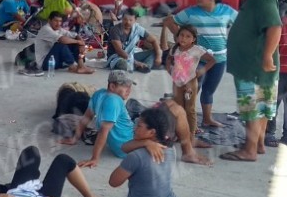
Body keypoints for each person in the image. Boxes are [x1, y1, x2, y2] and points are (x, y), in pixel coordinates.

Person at [60, 70, 211, 167]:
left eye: (129, 87)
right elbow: (104, 131)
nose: (128, 91)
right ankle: (187, 152)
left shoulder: (99, 94)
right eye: (125, 87)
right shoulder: (114, 100)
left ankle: (184, 138)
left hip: (134, 133)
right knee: (178, 110)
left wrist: (74, 138)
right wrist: (95, 158)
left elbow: (86, 118)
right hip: (131, 143)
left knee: (169, 103)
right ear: (112, 87)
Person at [88, 108, 191, 197]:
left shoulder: (136, 157)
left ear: (152, 132)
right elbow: (124, 147)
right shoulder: (170, 149)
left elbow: (113, 182)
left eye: (139, 126)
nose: (134, 128)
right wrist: (146, 142)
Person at [223, 0, 283, 162]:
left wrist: (266, 56)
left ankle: (248, 151)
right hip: (257, 64)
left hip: (254, 65)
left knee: (251, 108)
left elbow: (274, 27)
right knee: (263, 105)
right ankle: (257, 145)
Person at [163, 0, 237, 128]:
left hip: (220, 59)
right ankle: (187, 122)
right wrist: (180, 38)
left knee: (209, 90)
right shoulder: (191, 12)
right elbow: (171, 21)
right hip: (197, 59)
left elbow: (241, 23)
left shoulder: (226, 11)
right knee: (191, 90)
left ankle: (207, 119)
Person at [165, 25, 216, 137]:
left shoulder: (197, 50)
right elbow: (169, 58)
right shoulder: (175, 48)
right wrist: (169, 69)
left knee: (190, 109)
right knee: (179, 107)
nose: (183, 38)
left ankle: (191, 134)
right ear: (177, 36)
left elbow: (212, 60)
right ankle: (180, 131)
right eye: (181, 35)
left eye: (188, 36)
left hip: (190, 83)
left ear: (193, 39)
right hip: (177, 83)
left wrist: (202, 71)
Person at [265, 6, 287, 146]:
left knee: (272, 103)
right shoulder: (279, 25)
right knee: (272, 102)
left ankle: (269, 134)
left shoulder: (278, 24)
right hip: (278, 70)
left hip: (277, 70)